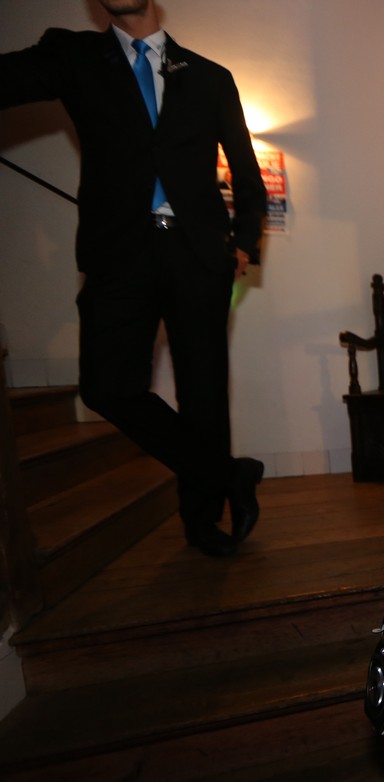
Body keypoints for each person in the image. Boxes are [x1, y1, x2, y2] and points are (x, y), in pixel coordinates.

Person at [0, 0, 269, 557]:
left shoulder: (211, 77)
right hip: (118, 253)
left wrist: (244, 243)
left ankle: (203, 522)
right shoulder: (73, 56)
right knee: (107, 387)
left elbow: (247, 173)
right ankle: (227, 473)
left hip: (198, 255)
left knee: (204, 393)